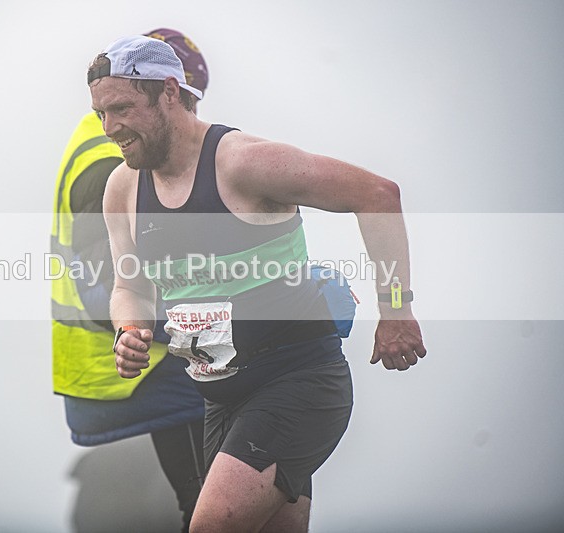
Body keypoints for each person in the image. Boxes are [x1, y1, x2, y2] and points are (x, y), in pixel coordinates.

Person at [89, 35, 428, 532]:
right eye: (100, 112)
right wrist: (129, 329)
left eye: (121, 107)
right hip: (219, 399)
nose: (109, 127)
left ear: (168, 92)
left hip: (297, 385)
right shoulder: (123, 188)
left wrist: (396, 310)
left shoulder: (242, 162)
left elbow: (377, 193)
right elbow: (130, 286)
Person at [51, 29, 210, 531]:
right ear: (166, 92)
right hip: (147, 368)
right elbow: (107, 278)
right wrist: (209, 325)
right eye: (187, 104)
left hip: (141, 369)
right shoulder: (111, 165)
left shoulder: (103, 147)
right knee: (208, 507)